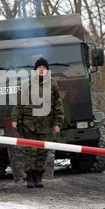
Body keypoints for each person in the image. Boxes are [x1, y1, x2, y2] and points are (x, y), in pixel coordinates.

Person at [11, 57, 64, 188]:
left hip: (46, 124)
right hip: (29, 124)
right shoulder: (26, 85)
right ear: (35, 70)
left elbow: (58, 105)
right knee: (30, 151)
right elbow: (18, 104)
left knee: (42, 151)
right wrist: (14, 119)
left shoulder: (53, 85)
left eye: (44, 68)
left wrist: (58, 123)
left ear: (47, 70)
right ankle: (30, 178)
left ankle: (39, 178)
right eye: (39, 67)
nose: (41, 69)